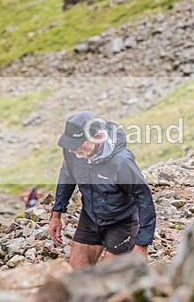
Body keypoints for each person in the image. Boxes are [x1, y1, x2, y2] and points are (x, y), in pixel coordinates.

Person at [49, 111, 157, 268]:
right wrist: (56, 214)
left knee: (108, 279)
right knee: (77, 275)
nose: (71, 150)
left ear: (97, 137)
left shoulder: (121, 162)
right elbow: (67, 176)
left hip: (121, 222)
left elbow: (144, 198)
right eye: (69, 144)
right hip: (90, 218)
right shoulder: (71, 151)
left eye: (76, 144)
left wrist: (143, 243)